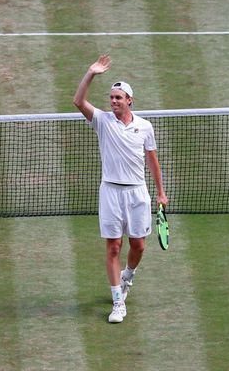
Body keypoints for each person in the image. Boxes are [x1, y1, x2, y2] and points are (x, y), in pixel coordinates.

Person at [73, 54, 168, 323]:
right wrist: (90, 73)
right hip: (111, 192)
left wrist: (161, 192)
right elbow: (78, 101)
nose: (113, 101)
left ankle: (128, 275)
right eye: (111, 97)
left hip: (137, 192)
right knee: (113, 247)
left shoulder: (145, 127)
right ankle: (117, 302)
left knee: (138, 246)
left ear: (129, 101)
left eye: (118, 97)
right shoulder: (102, 121)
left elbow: (153, 161)